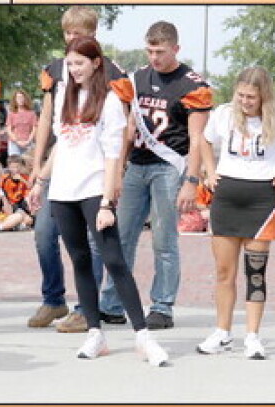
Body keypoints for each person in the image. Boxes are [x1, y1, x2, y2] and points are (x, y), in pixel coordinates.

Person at [29, 36, 168, 366]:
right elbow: (61, 144)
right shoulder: (63, 93)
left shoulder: (108, 100)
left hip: (94, 190)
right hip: (63, 191)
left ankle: (143, 336)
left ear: (95, 63)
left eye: (80, 63)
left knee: (114, 259)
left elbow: (112, 154)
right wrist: (41, 181)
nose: (74, 69)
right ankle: (95, 333)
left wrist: (107, 202)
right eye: (70, 63)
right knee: (78, 261)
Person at [99, 21, 213, 330]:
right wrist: (119, 170)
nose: (154, 58)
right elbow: (124, 129)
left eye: (160, 52)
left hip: (168, 167)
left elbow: (197, 139)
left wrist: (191, 181)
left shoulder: (192, 85)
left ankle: (162, 305)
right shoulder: (135, 80)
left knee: (164, 240)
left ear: (175, 48)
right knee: (121, 237)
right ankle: (111, 302)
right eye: (149, 51)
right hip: (137, 163)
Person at [27, 5, 132, 333]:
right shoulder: (56, 69)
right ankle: (53, 296)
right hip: (61, 162)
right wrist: (37, 162)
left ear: (93, 36)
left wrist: (115, 175)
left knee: (93, 241)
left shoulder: (112, 73)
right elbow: (48, 117)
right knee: (44, 231)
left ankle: (86, 308)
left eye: (78, 34)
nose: (72, 39)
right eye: (68, 34)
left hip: (94, 169)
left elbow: (121, 127)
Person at [199, 66, 275, 359]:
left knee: (256, 273)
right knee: (224, 272)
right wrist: (210, 171)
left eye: (251, 97)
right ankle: (222, 332)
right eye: (241, 95)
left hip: (261, 201)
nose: (245, 101)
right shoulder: (223, 114)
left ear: (263, 96)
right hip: (226, 198)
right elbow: (205, 140)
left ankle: (252, 336)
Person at [6, 89, 38, 156]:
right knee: (15, 162)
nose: (20, 99)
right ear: (15, 100)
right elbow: (9, 130)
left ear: (25, 99)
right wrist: (17, 141)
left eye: (22, 97)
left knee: (27, 163)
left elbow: (34, 129)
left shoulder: (32, 113)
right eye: (18, 98)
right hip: (14, 143)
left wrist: (28, 141)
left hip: (28, 143)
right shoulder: (11, 113)